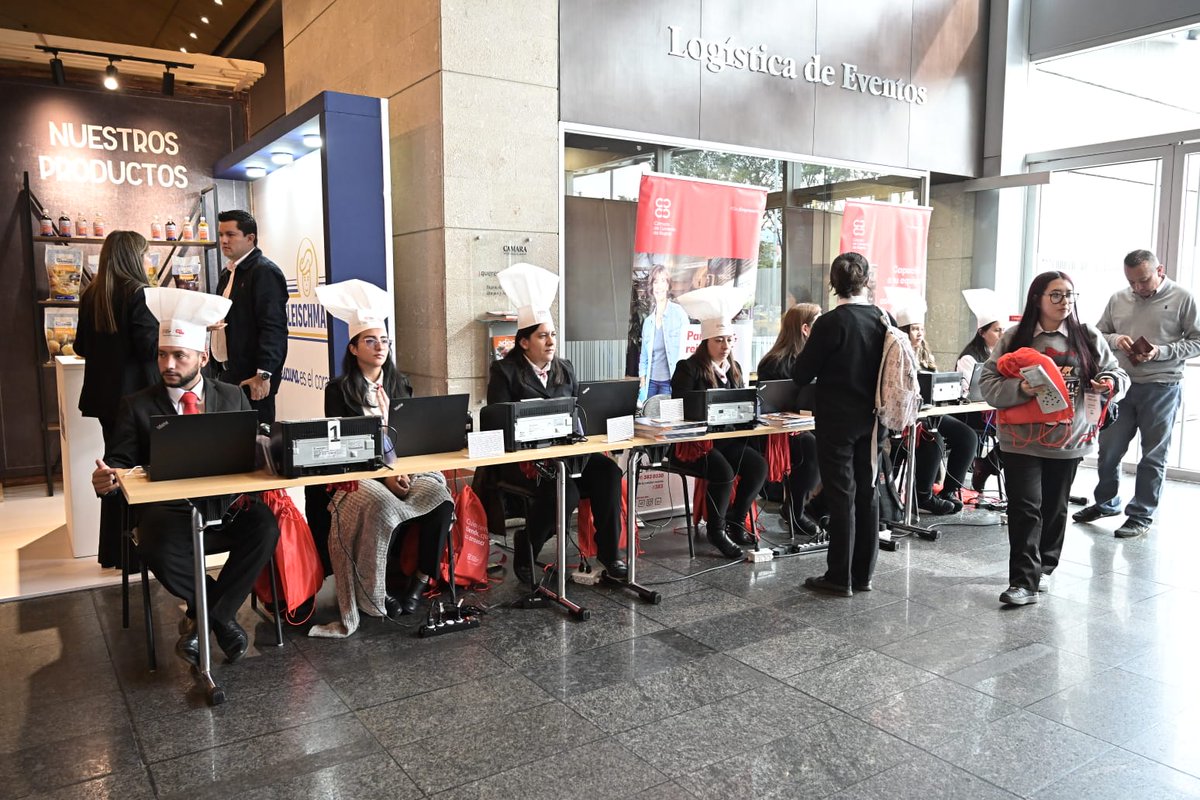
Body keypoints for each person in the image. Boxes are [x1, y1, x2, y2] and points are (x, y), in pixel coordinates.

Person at [91, 287, 279, 664]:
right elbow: (118, 461)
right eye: (163, 355)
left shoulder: (232, 397)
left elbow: (248, 453)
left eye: (179, 355)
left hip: (226, 508)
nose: (169, 364)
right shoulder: (137, 405)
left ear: (203, 357)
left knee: (265, 527)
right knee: (153, 545)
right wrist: (107, 481)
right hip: (169, 514)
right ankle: (221, 619)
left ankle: (207, 619)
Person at [306, 280, 454, 637]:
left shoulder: (400, 383)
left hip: (405, 466)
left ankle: (419, 581)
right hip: (364, 472)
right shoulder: (339, 390)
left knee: (441, 497)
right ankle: (375, 593)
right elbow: (344, 445)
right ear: (353, 347)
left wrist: (408, 469)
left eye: (384, 340)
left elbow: (412, 435)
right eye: (370, 341)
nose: (380, 347)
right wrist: (386, 476)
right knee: (383, 506)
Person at [980, 271, 1127, 606]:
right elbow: (987, 383)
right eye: (1056, 295)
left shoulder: (1086, 335)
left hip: (1068, 438)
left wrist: (1108, 383)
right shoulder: (1016, 337)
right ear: (1038, 299)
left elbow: (1118, 373)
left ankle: (1045, 564)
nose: (1065, 302)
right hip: (1019, 439)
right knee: (1024, 507)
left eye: (1070, 295)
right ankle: (1023, 582)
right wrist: (1020, 388)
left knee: (1054, 506)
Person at [486, 263, 627, 583]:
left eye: (552, 334)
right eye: (542, 336)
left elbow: (580, 411)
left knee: (608, 473)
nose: (550, 341)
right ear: (524, 341)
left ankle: (609, 554)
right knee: (567, 491)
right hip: (525, 460)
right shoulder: (505, 373)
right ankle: (528, 545)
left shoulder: (565, 368)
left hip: (567, 454)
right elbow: (497, 420)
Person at [1073, 249, 1200, 539]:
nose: (1137, 288)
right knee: (1108, 451)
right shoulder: (1119, 298)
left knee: (1153, 456)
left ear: (1160, 271)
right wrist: (1117, 339)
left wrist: (1161, 352)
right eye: (1132, 282)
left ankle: (1141, 514)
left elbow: (1198, 340)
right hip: (1121, 385)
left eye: (1143, 280)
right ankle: (1106, 503)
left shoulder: (1183, 298)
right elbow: (1098, 334)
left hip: (1162, 385)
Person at [791, 252, 886, 596]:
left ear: (834, 284)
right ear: (866, 280)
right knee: (868, 490)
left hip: (836, 421)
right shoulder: (881, 318)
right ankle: (864, 575)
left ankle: (839, 576)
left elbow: (801, 374)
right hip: (874, 420)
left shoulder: (830, 323)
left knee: (842, 494)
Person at [74, 230, 160, 568]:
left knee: (114, 471)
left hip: (103, 400)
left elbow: (80, 347)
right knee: (141, 474)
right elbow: (147, 348)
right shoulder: (139, 294)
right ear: (133, 257)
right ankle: (140, 554)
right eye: (145, 254)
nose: (147, 260)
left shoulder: (91, 294)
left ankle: (115, 552)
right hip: (137, 398)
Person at [669, 285, 768, 557]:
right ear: (705, 343)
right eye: (719, 340)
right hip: (695, 444)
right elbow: (681, 408)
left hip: (725, 441)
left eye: (729, 340)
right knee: (723, 472)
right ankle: (717, 531)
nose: (725, 346)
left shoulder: (734, 369)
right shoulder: (687, 368)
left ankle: (735, 519)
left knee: (758, 465)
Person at [895, 299, 979, 514]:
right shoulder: (896, 355)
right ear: (904, 331)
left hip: (930, 412)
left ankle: (949, 491)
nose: (919, 333)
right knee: (934, 439)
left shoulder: (925, 354)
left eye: (921, 329)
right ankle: (922, 496)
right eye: (914, 329)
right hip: (906, 417)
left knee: (968, 437)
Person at [210, 210, 288, 425]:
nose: (224, 240)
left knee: (257, 447)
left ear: (250, 238)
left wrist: (263, 375)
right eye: (221, 234)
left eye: (231, 234)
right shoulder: (228, 273)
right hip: (226, 374)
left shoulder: (264, 272)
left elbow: (274, 328)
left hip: (252, 378)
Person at [757, 303, 823, 535]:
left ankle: (819, 508)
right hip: (780, 433)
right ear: (805, 329)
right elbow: (769, 405)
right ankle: (794, 510)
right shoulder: (775, 362)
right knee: (811, 446)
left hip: (810, 424)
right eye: (819, 323)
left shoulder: (818, 359)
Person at [958, 288, 1007, 492]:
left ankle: (987, 464)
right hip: (974, 414)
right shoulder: (969, 357)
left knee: (1019, 433)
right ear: (982, 333)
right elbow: (967, 390)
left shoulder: (1003, 354)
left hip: (995, 409)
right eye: (997, 330)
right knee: (1010, 434)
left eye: (1003, 330)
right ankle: (986, 466)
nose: (1001, 335)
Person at [638, 264, 689, 404]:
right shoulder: (648, 322)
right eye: (655, 281)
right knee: (648, 420)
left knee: (667, 421)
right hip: (650, 383)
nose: (659, 286)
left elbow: (687, 351)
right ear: (652, 286)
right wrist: (642, 378)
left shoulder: (679, 314)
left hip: (670, 382)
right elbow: (644, 355)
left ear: (668, 285)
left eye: (663, 281)